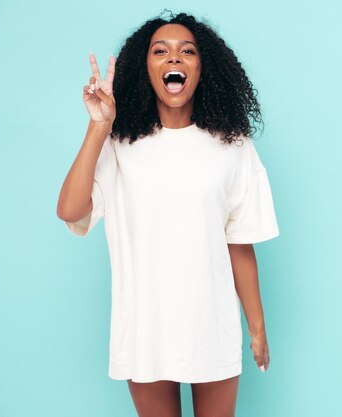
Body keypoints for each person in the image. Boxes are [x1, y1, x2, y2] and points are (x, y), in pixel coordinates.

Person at [56, 10, 280, 417]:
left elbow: (239, 241)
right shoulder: (120, 144)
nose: (174, 59)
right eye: (161, 51)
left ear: (201, 67)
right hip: (144, 328)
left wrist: (257, 326)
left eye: (187, 52)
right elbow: (70, 209)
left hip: (212, 326)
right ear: (145, 67)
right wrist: (98, 127)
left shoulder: (232, 146)